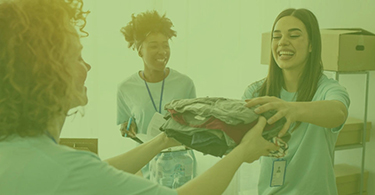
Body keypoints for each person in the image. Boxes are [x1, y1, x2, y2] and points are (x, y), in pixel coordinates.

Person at [0, 0, 279, 194]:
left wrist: (162, 140)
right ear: (44, 71)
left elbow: (98, 169)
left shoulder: (17, 153)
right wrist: (242, 153)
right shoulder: (68, 168)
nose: (87, 66)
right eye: (77, 56)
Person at [242, 8, 350, 194]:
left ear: (311, 45)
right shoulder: (256, 92)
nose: (283, 42)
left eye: (294, 35)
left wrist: (291, 109)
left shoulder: (327, 89)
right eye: (276, 37)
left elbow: (338, 112)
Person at [117, 10, 197, 180]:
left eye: (165, 45)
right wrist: (126, 128)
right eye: (154, 46)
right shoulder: (125, 88)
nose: (162, 51)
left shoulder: (185, 84)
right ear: (140, 50)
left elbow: (194, 127)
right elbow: (125, 126)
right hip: (145, 167)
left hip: (181, 168)